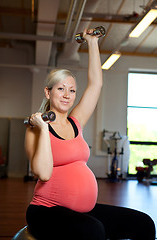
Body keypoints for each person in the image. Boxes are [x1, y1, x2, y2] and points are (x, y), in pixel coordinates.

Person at [25, 28, 156, 240]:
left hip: (81, 210)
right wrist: (42, 128)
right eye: (61, 89)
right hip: (46, 211)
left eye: (72, 90)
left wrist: (92, 42)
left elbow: (96, 84)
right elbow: (44, 173)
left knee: (143, 224)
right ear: (48, 92)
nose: (67, 95)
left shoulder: (76, 121)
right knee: (94, 230)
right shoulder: (36, 128)